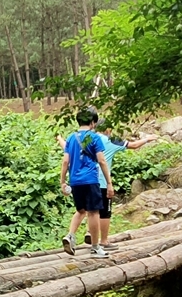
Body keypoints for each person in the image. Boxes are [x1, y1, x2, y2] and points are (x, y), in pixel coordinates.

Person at [89, 119, 157, 248]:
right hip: (102, 181)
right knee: (105, 212)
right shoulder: (110, 140)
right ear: (108, 129)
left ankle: (91, 236)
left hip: (87, 180)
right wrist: (147, 139)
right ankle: (103, 241)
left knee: (92, 211)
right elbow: (133, 145)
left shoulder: (89, 139)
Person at [60, 108, 113, 257]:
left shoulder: (71, 138)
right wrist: (109, 183)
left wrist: (63, 182)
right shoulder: (94, 137)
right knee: (93, 212)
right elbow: (102, 161)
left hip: (75, 181)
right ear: (93, 122)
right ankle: (95, 247)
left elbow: (65, 162)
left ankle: (70, 235)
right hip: (90, 180)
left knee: (81, 210)